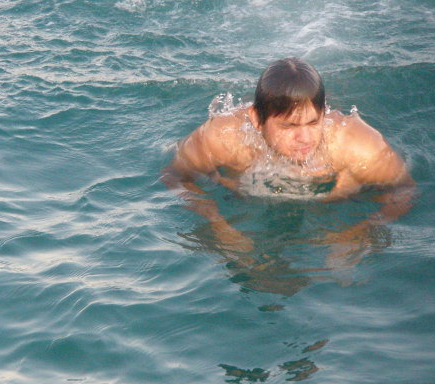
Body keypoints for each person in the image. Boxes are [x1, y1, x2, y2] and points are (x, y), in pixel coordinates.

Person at [163, 57, 415, 257]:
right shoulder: (221, 138)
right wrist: (218, 223)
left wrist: (361, 231)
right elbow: (174, 177)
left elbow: (404, 191)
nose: (305, 138)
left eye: (313, 123)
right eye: (289, 126)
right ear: (256, 119)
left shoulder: (359, 146)